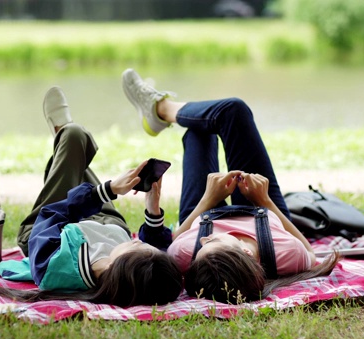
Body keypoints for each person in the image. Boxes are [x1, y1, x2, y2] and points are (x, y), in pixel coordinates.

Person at [121, 68, 340, 304]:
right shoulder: (284, 254)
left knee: (198, 133)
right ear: (246, 253)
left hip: (202, 211)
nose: (204, 241)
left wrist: (208, 199)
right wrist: (264, 201)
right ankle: (161, 109)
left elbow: (169, 243)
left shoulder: (188, 254)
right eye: (212, 242)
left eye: (200, 251)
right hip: (262, 209)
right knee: (233, 110)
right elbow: (309, 252)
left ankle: (161, 110)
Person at [0, 87, 182, 307]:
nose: (138, 240)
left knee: (74, 136)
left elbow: (53, 213)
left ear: (118, 266)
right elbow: (157, 249)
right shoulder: (140, 268)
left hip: (54, 226)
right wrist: (153, 208)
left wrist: (109, 190)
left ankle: (63, 134)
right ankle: (65, 144)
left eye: (137, 245)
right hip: (110, 225)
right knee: (74, 155)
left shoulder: (54, 265)